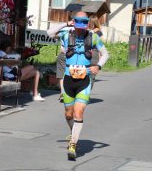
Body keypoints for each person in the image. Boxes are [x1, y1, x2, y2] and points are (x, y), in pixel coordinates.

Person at [47, 11, 109, 160]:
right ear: (74, 23)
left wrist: (98, 66)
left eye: (83, 25)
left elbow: (105, 54)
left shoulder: (93, 36)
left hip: (84, 80)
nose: (81, 28)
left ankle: (73, 144)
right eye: (78, 24)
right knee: (69, 114)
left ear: (87, 23)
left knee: (78, 113)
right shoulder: (66, 34)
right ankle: (73, 132)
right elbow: (49, 33)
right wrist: (67, 23)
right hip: (69, 79)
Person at [88, 15, 104, 89]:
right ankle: (87, 93)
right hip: (94, 54)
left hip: (85, 53)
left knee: (83, 73)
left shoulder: (86, 31)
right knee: (92, 75)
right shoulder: (99, 33)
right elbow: (100, 47)